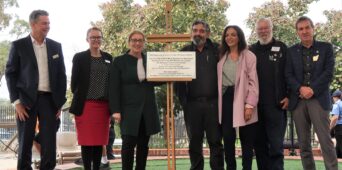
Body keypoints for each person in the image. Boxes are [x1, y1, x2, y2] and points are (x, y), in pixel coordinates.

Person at [5, 9, 66, 170]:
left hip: (49, 100)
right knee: (25, 142)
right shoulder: (18, 46)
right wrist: (16, 102)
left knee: (49, 142)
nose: (48, 26)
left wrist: (59, 103)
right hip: (25, 102)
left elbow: (61, 76)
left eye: (49, 23)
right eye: (44, 23)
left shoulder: (55, 46)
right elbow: (10, 74)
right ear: (33, 24)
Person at [285, 16, 338, 170]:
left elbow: (328, 73)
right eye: (301, 29)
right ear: (297, 32)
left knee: (325, 141)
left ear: (313, 29)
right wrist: (300, 89)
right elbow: (288, 74)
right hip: (298, 101)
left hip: (319, 100)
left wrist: (312, 89)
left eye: (307, 27)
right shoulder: (291, 51)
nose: (305, 31)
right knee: (304, 144)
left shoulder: (326, 48)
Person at [175, 20, 224, 170]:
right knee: (194, 142)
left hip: (214, 104)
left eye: (201, 31)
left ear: (207, 33)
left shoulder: (218, 50)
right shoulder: (184, 52)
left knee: (215, 141)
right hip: (192, 105)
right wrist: (185, 102)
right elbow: (178, 81)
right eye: (195, 30)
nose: (198, 33)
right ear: (191, 33)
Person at [109, 30, 161, 170]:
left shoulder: (151, 60)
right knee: (128, 145)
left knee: (143, 146)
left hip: (147, 109)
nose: (137, 43)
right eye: (134, 40)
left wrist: (175, 74)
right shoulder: (119, 61)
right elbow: (113, 88)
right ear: (129, 42)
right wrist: (115, 110)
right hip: (128, 110)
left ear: (144, 43)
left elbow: (159, 79)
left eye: (140, 40)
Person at [69, 27, 112, 170]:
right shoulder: (79, 57)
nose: (96, 40)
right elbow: (74, 83)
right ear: (87, 39)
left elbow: (111, 82)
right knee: (87, 142)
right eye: (93, 37)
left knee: (99, 141)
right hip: (85, 106)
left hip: (103, 107)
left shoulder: (108, 58)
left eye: (98, 37)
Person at [217, 25, 259, 170]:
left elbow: (254, 82)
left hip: (244, 99)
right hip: (226, 99)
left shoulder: (249, 56)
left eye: (233, 34)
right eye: (227, 35)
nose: (229, 37)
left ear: (239, 37)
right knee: (228, 139)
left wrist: (249, 105)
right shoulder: (221, 56)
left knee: (247, 141)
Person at [249, 18, 288, 170]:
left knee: (276, 146)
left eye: (266, 28)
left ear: (272, 28)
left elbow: (289, 73)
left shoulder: (282, 47)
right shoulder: (251, 50)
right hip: (255, 107)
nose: (263, 31)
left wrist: (289, 95)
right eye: (260, 29)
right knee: (259, 147)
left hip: (276, 105)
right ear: (256, 30)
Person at [330, 90, 342, 158]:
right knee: (338, 143)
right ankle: (338, 157)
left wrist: (330, 127)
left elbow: (335, 118)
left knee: (340, 143)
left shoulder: (336, 105)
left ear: (334, 97)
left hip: (339, 127)